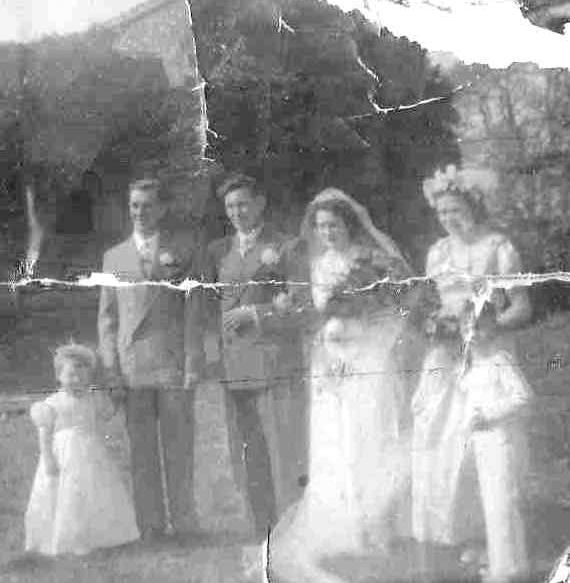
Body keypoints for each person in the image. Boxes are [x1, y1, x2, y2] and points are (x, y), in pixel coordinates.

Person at [267, 187, 416, 581]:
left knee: (368, 433)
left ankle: (377, 525)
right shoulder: (315, 266)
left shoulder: (370, 260)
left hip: (366, 353)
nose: (327, 233)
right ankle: (340, 527)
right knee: (335, 440)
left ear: (349, 225)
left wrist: (361, 315)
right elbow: (313, 316)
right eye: (320, 227)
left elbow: (390, 308)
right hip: (328, 362)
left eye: (333, 225)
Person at [411, 165, 533, 583]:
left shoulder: (499, 248)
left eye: (456, 211)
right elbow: (432, 304)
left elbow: (522, 306)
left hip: (486, 356)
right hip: (446, 360)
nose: (449, 220)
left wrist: (488, 326)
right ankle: (466, 539)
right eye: (442, 213)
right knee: (447, 453)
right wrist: (435, 326)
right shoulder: (437, 254)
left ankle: (496, 547)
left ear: (474, 207)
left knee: (490, 452)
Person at [200, 172, 306, 538]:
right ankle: (261, 525)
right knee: (246, 448)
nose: (237, 212)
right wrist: (213, 355)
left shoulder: (287, 246)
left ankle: (291, 522)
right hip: (234, 364)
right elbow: (210, 308)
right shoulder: (218, 251)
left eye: (243, 203)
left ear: (261, 203)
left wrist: (257, 315)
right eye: (230, 206)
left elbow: (302, 307)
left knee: (281, 445)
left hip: (273, 359)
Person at [97, 178, 203, 542]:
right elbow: (107, 320)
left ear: (162, 209)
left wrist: (192, 363)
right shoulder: (113, 257)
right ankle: (151, 526)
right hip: (132, 367)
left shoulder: (183, 250)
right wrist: (110, 369)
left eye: (147, 205)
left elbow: (193, 313)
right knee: (141, 450)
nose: (140, 213)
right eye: (134, 206)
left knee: (179, 446)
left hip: (171, 362)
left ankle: (185, 521)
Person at [24, 342, 139, 556]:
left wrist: (116, 398)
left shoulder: (94, 397)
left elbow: (107, 414)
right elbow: (44, 433)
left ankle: (98, 535)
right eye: (71, 375)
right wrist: (48, 458)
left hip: (91, 451)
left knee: (96, 491)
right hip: (64, 454)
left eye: (83, 375)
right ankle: (69, 538)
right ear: (59, 376)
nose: (77, 380)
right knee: (68, 494)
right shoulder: (52, 403)